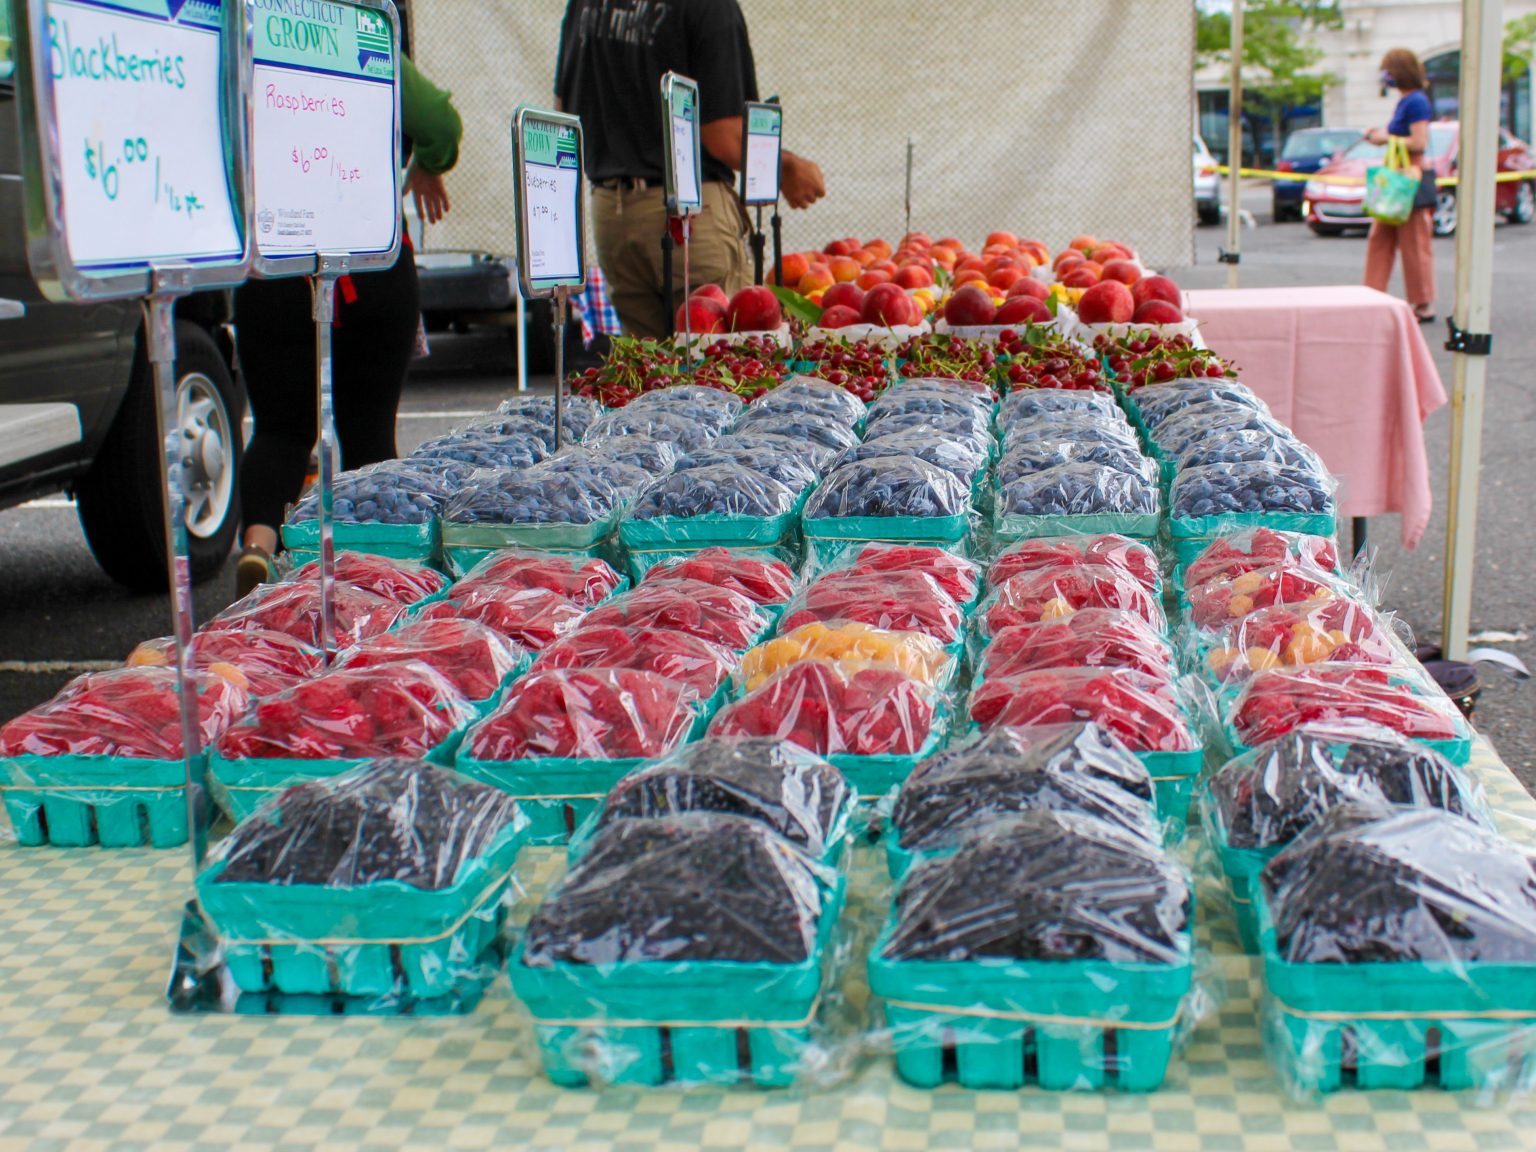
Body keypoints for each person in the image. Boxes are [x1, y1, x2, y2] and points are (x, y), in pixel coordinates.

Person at [234, 58, 463, 597]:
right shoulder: (362, 30)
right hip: (373, 261)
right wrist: (429, 161)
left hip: (278, 262)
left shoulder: (248, 31)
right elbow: (441, 124)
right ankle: (373, 576)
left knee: (280, 430)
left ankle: (259, 548)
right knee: (369, 429)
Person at [554, 0, 826, 339]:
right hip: (689, 214)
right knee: (723, 366)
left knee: (648, 373)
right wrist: (787, 165)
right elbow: (723, 138)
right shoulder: (709, 7)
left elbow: (563, 109)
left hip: (612, 212)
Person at [1363, 47, 1437, 323]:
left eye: (1388, 71)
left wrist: (1385, 138)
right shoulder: (1407, 101)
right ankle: (1371, 294)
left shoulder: (1416, 101)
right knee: (1380, 237)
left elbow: (1419, 141)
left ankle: (1423, 301)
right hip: (1396, 174)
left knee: (1414, 241)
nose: (1385, 77)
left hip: (1408, 175)